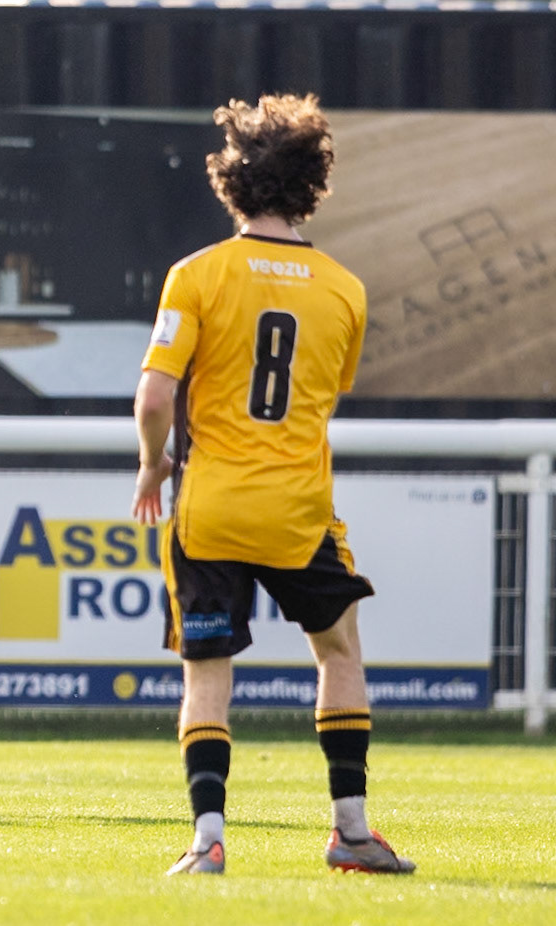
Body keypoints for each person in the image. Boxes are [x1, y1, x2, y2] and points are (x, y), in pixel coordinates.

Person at [130, 94, 415, 875]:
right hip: (299, 510)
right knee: (339, 653)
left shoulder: (196, 275)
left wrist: (155, 462)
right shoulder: (345, 290)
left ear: (230, 183)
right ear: (312, 184)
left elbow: (156, 396)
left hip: (213, 504)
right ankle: (351, 830)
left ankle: (208, 840)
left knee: (207, 673)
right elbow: (320, 396)